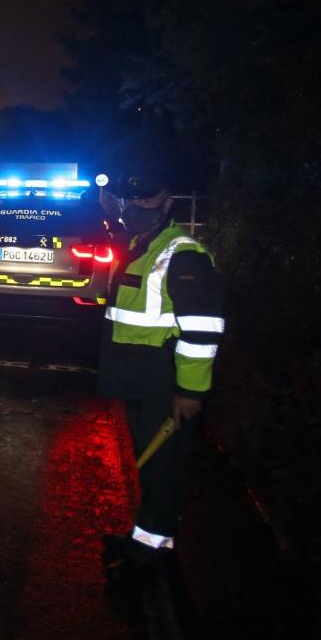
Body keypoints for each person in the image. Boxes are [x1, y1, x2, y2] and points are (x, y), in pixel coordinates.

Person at [99, 164, 225, 581]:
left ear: (167, 202)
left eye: (146, 198)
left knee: (163, 470)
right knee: (151, 468)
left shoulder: (182, 254)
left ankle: (150, 559)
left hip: (165, 383)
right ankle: (143, 544)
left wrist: (190, 391)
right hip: (141, 380)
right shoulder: (142, 244)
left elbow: (202, 330)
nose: (136, 205)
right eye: (130, 199)